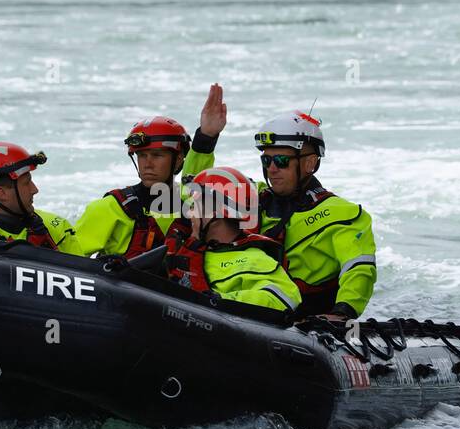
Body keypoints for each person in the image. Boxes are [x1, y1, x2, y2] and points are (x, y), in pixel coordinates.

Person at [72, 85, 226, 259]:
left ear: (179, 159)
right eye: (142, 156)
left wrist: (206, 137)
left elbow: (195, 179)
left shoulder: (190, 204)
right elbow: (68, 260)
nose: (148, 164)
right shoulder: (110, 207)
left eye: (157, 155)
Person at [253, 111, 376, 320]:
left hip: (303, 323)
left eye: (281, 160)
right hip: (245, 309)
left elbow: (359, 268)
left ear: (310, 163)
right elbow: (192, 193)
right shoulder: (250, 197)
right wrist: (206, 140)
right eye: (266, 160)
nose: (272, 169)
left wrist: (343, 311)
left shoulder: (342, 214)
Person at [165, 167, 302, 313]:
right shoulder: (187, 247)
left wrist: (220, 300)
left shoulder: (254, 259)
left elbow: (286, 297)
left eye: (195, 206)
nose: (190, 213)